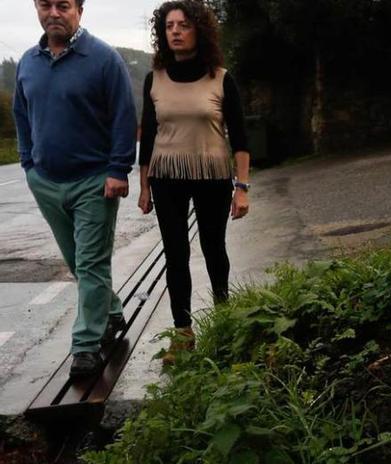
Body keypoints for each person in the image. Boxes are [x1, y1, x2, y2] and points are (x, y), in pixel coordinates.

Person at [13, 0, 137, 377]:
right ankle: (111, 313)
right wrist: (28, 162)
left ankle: (85, 346)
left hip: (94, 182)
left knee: (91, 262)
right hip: (46, 181)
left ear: (79, 10)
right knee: (77, 262)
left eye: (62, 5)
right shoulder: (28, 62)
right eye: (45, 4)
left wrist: (118, 169)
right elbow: (22, 114)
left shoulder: (103, 59)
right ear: (36, 8)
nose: (53, 12)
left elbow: (123, 116)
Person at [139, 0, 250, 362]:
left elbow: (242, 137)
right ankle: (182, 334)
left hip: (213, 175)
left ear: (198, 31)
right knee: (176, 253)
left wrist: (242, 188)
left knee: (214, 248)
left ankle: (225, 320)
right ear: (162, 32)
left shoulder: (220, 77)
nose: (175, 31)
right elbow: (149, 134)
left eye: (183, 25)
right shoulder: (153, 79)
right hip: (166, 177)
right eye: (169, 26)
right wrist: (144, 186)